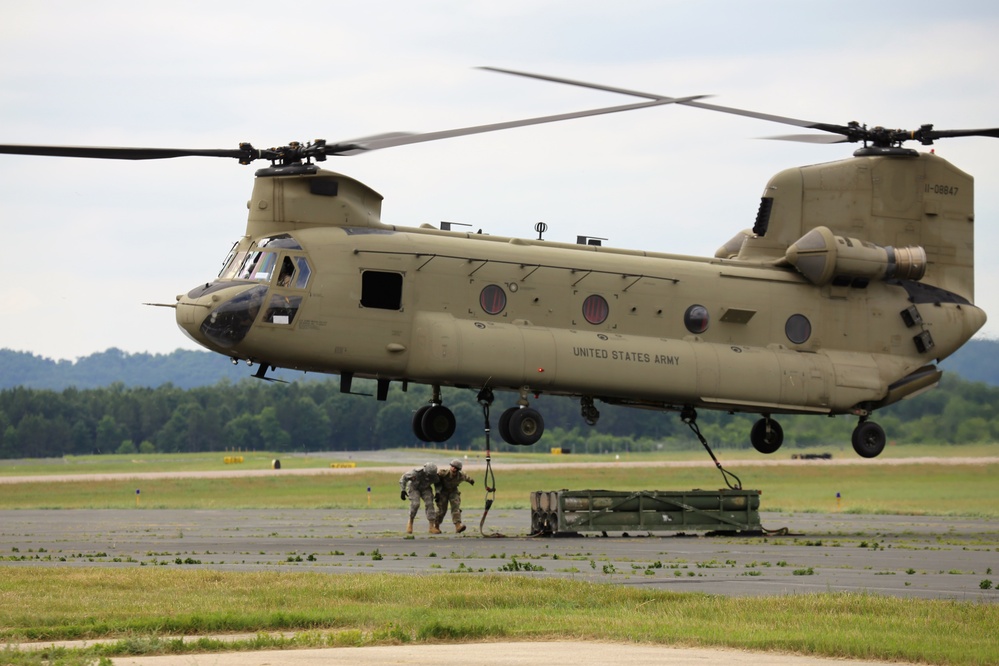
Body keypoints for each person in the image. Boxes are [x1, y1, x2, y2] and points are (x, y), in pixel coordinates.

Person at [434, 458, 475, 533]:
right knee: (441, 510)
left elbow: (467, 477)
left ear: (458, 469)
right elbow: (436, 482)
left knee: (455, 507)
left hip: (453, 491)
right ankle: (436, 526)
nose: (453, 469)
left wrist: (471, 481)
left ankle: (458, 526)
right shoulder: (443, 473)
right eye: (452, 466)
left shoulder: (461, 475)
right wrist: (437, 493)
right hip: (443, 491)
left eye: (455, 468)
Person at [399, 462, 440, 534]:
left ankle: (431, 526)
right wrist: (403, 490)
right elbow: (403, 478)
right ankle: (410, 522)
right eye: (428, 474)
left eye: (431, 475)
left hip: (426, 489)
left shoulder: (434, 476)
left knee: (430, 503)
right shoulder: (415, 473)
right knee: (415, 504)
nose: (429, 476)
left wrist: (437, 492)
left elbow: (438, 483)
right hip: (414, 488)